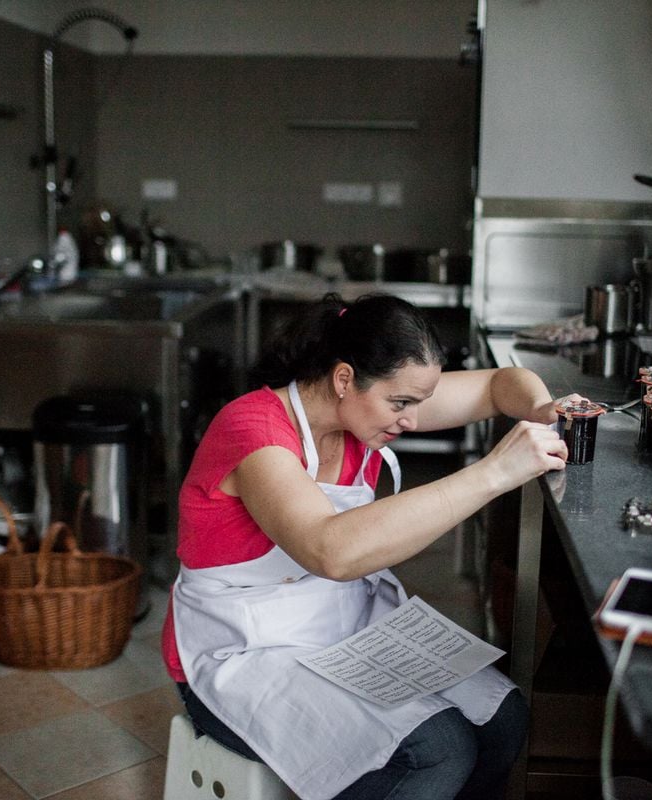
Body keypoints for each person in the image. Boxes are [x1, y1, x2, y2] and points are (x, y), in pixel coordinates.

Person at [162, 293, 577, 800]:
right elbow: (329, 550)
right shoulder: (253, 431)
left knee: (503, 720)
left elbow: (497, 384)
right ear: (343, 379)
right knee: (436, 750)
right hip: (243, 652)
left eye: (416, 404)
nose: (410, 420)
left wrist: (542, 410)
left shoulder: (368, 410)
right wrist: (494, 473)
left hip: (341, 623)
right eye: (400, 404)